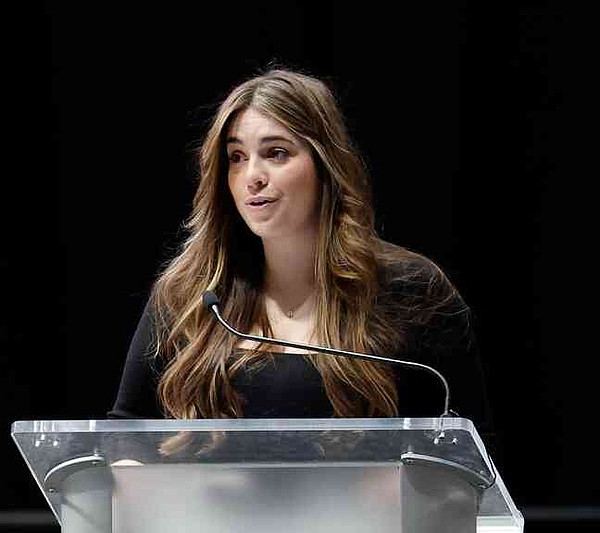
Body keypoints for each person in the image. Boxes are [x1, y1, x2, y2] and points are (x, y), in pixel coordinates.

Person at [107, 65, 494, 447]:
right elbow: (124, 436)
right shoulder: (192, 294)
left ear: (325, 166)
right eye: (236, 157)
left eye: (276, 153)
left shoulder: (410, 290)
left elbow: (472, 455)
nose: (252, 175)